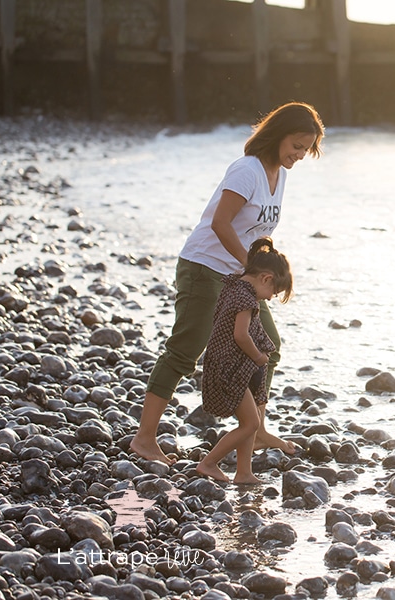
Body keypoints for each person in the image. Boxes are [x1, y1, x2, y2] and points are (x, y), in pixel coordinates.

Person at [130, 101, 324, 465]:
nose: (299, 155)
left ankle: (258, 427)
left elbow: (258, 231)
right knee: (185, 352)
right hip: (205, 268)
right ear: (278, 134)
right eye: (296, 145)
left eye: (305, 149)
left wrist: (270, 267)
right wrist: (250, 268)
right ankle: (144, 439)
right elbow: (221, 223)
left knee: (268, 345)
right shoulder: (246, 171)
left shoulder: (279, 174)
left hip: (241, 276)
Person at [197, 237, 293, 484]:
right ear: (266, 278)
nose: (270, 298)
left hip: (230, 365)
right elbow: (240, 335)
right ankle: (208, 462)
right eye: (274, 292)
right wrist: (258, 356)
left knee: (249, 421)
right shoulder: (247, 299)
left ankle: (244, 472)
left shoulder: (233, 285)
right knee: (251, 423)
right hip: (231, 368)